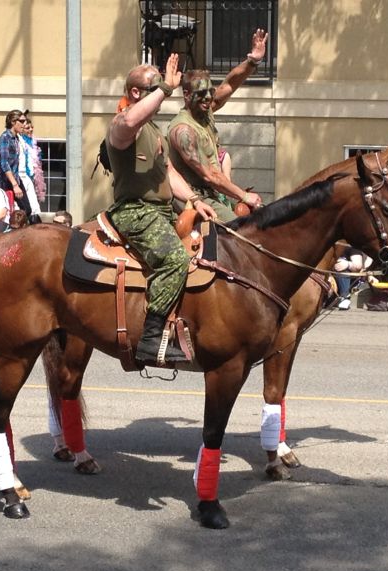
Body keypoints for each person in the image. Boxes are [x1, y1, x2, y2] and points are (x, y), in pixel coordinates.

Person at [106, 53, 217, 365]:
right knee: (174, 259)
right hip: (135, 211)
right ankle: (150, 338)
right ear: (136, 93)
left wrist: (194, 199)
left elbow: (168, 171)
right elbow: (130, 121)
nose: (163, 95)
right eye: (154, 89)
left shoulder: (154, 131)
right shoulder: (122, 125)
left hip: (163, 211)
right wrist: (166, 88)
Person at [166, 29, 267, 222]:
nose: (208, 98)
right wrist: (244, 196)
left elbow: (229, 85)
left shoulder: (205, 111)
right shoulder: (183, 131)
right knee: (239, 230)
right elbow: (210, 176)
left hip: (213, 193)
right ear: (187, 95)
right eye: (201, 93)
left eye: (210, 92)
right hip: (193, 197)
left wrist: (253, 61)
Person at [0, 109, 30, 213]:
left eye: (25, 121)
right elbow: (4, 163)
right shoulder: (5, 138)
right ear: (12, 122)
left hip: (15, 178)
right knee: (5, 212)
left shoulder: (16, 138)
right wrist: (15, 185)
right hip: (5, 181)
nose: (24, 124)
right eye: (22, 121)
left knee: (27, 210)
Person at [17, 111, 45, 223]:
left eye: (31, 127)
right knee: (28, 206)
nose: (31, 130)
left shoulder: (32, 142)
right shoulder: (19, 142)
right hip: (23, 177)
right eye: (28, 128)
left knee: (34, 205)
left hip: (31, 178)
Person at [333, 246, 372, 310]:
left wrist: (348, 264)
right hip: (328, 276)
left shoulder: (351, 247)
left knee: (341, 266)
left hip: (348, 279)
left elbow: (358, 266)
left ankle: (345, 298)